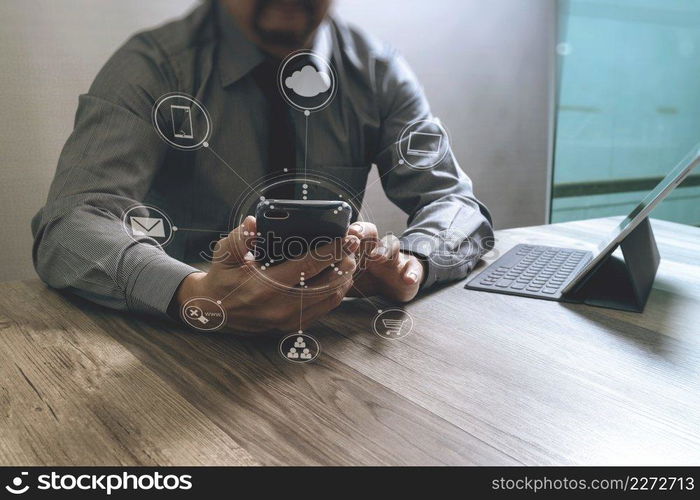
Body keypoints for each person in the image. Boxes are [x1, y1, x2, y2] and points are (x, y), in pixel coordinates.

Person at [31, 0, 493, 334]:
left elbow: (452, 201)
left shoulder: (378, 71)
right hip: (177, 349)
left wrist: (413, 261)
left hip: (331, 343)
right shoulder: (154, 65)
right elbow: (70, 224)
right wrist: (190, 293)